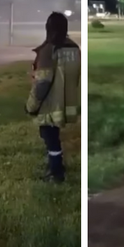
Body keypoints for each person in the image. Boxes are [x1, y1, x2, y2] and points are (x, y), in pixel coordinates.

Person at [26, 12, 81, 183]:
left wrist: (31, 105)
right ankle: (54, 166)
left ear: (48, 28)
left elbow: (42, 83)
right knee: (53, 135)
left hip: (50, 104)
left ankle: (56, 172)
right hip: (67, 102)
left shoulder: (48, 50)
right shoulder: (73, 48)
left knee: (50, 138)